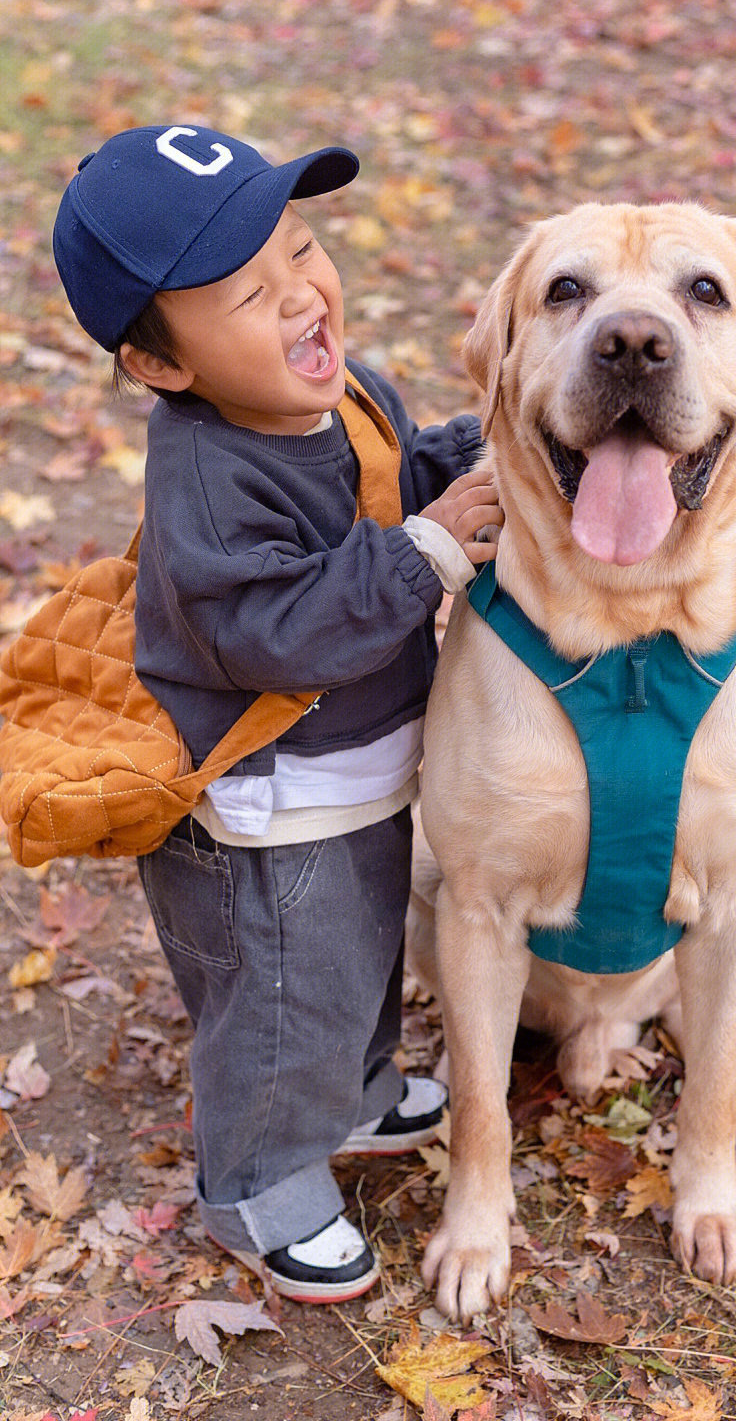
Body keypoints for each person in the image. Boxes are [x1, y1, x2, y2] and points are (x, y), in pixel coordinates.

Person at [52, 124, 502, 1303]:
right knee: (282, 991)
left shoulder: (344, 391)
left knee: (355, 960)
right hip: (261, 807)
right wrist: (430, 554)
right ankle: (260, 1180)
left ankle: (352, 1091)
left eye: (302, 249)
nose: (303, 295)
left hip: (352, 775)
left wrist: (472, 459)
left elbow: (394, 477)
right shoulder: (209, 476)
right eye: (253, 293)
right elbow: (274, 630)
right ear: (162, 366)